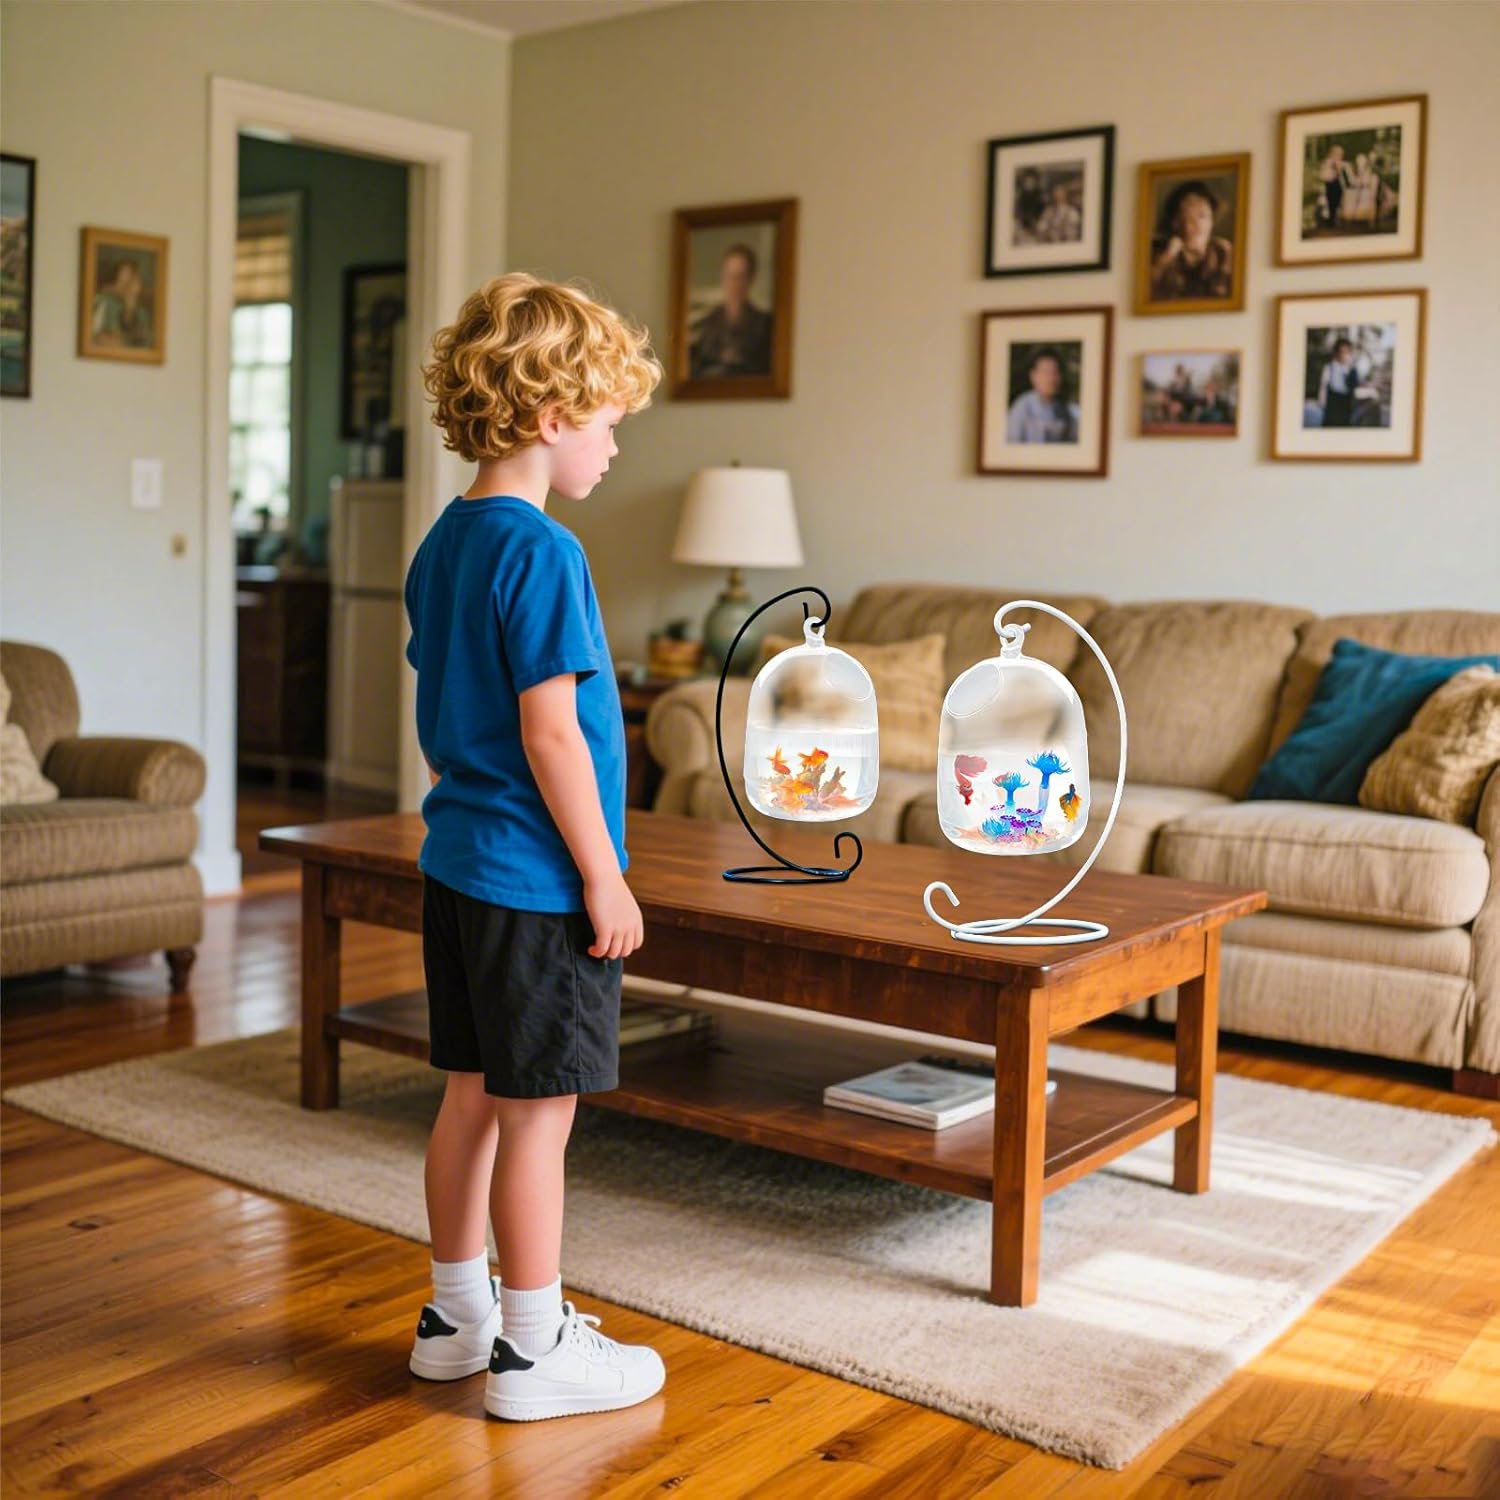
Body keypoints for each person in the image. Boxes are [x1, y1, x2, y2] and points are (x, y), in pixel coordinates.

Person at [405, 272, 665, 1422]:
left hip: (458, 866)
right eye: (606, 421)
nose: (613, 446)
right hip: (535, 882)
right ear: (552, 417)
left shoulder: (444, 545)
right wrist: (604, 876)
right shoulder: (545, 554)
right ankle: (533, 1345)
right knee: (538, 1117)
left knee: (468, 1096)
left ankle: (454, 1318)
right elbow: (550, 729)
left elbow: (445, 715)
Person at [688, 242, 772, 379]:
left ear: (750, 279)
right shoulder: (707, 324)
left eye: (740, 277)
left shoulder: (765, 325)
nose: (734, 284)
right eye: (730, 276)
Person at [1149, 180, 1234, 302]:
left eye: (1203, 216)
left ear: (1212, 221)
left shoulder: (1225, 252)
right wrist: (1166, 258)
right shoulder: (1161, 254)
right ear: (1176, 223)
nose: (1198, 224)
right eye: (1189, 216)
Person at [1006, 346, 1078, 443]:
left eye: (1054, 372)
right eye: (1045, 372)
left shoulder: (1066, 412)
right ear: (1033, 376)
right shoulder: (1021, 407)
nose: (1051, 379)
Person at [1313, 336, 1379, 427]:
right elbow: (1323, 387)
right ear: (1336, 353)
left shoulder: (1352, 369)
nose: (1345, 355)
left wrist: (1369, 389)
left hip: (1346, 408)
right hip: (1332, 409)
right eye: (1342, 352)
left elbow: (1356, 386)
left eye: (1348, 352)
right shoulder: (1330, 368)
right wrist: (1322, 403)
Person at [90, 258, 152, 348]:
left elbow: (145, 343)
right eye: (121, 276)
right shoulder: (105, 301)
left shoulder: (143, 313)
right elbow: (95, 335)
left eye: (129, 278)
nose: (125, 283)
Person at [1318, 143, 1351, 227]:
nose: (1339, 156)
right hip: (1330, 186)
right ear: (1332, 154)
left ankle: (1336, 219)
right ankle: (1331, 220)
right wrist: (1333, 171)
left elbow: (1347, 177)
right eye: (1337, 154)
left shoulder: (1343, 164)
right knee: (1330, 203)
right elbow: (1324, 176)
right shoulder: (1327, 163)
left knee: (1339, 202)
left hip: (1339, 186)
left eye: (1341, 154)